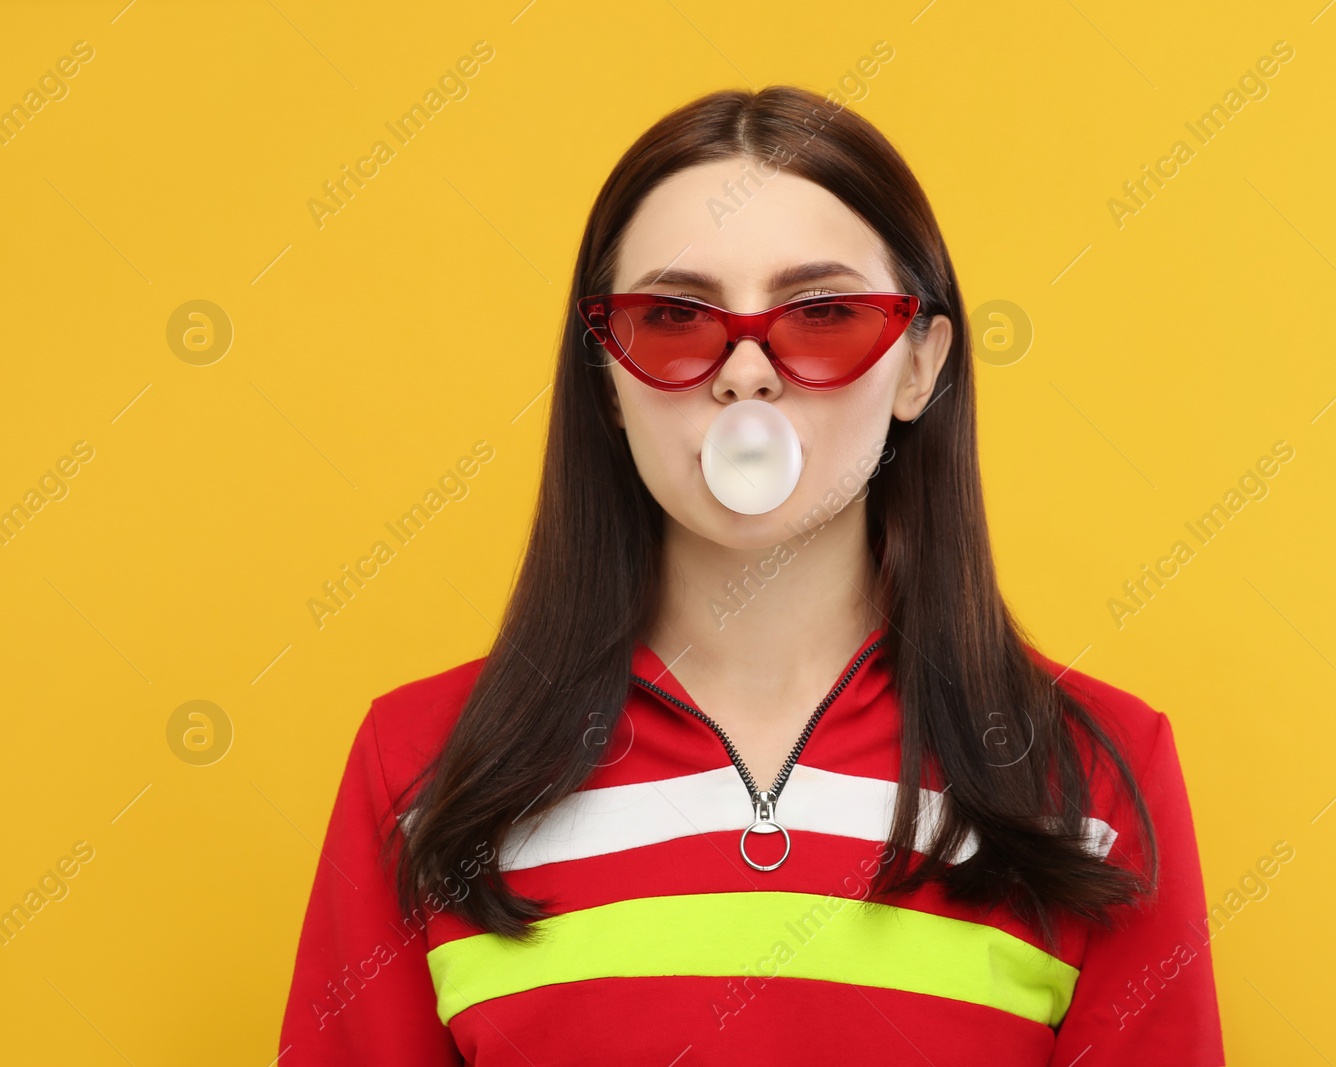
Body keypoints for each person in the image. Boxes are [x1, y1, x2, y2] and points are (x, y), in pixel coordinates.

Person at [277, 84, 1224, 1066]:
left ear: (917, 366)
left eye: (822, 313)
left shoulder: (1093, 780)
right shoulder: (424, 773)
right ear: (603, 371)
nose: (745, 371)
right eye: (675, 316)